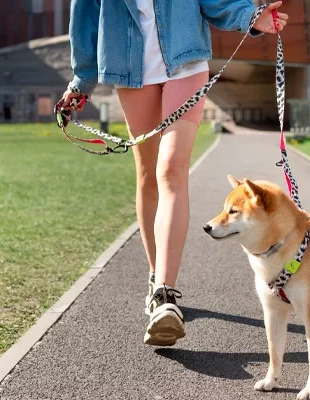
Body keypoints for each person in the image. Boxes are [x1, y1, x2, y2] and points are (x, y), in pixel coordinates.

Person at [61, 0, 288, 346]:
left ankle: (165, 295)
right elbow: (87, 12)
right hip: (129, 64)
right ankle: (156, 277)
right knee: (148, 174)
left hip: (185, 58)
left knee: (170, 170)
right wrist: (82, 79)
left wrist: (250, 17)